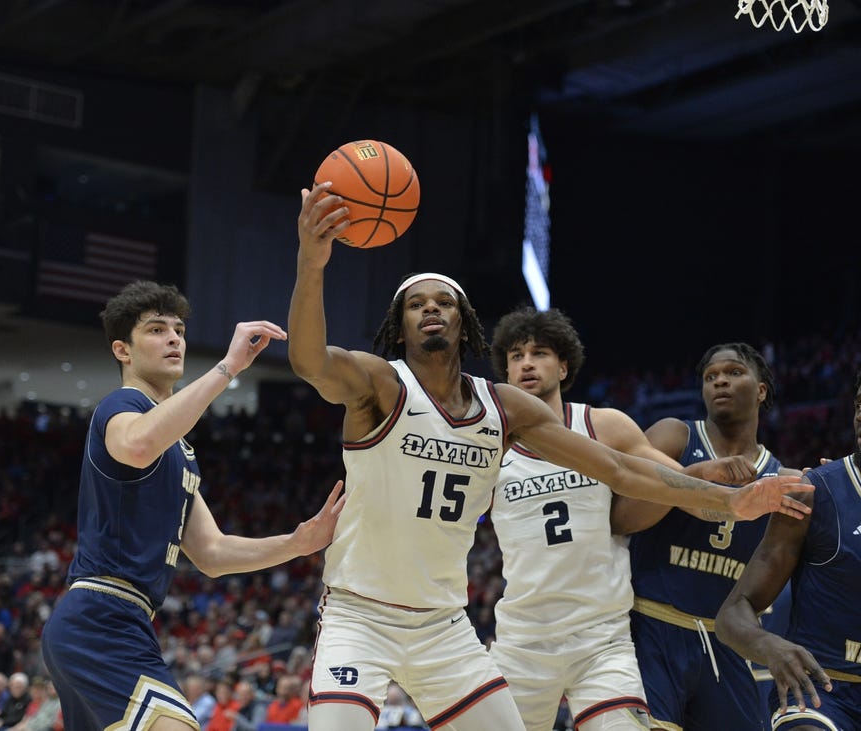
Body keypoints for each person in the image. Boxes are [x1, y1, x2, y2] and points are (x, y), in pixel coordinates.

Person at [291, 183, 811, 731]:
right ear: (399, 329)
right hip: (366, 612)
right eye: (416, 305)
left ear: (465, 323)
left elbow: (620, 470)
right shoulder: (379, 383)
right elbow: (309, 362)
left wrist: (729, 501)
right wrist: (312, 262)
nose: (430, 310)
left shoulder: (505, 408)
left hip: (450, 624)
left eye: (443, 302)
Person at [40, 280, 345, 731]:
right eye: (157, 330)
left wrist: (298, 543)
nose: (174, 339)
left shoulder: (180, 450)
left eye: (179, 330)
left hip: (123, 620)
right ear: (123, 351)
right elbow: (139, 444)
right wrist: (229, 367)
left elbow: (212, 553)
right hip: (99, 616)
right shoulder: (121, 406)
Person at [485, 308, 764, 730]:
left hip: (602, 639)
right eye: (516, 355)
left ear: (563, 366)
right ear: (505, 370)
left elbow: (675, 489)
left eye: (539, 353)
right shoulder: (489, 445)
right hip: (523, 640)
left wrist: (732, 500)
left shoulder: (604, 426)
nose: (526, 363)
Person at [625, 343, 802, 731]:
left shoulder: (781, 478)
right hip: (652, 628)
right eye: (710, 376)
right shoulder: (675, 436)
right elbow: (621, 517)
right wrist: (694, 477)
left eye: (734, 372)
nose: (720, 380)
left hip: (725, 643)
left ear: (761, 390)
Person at [716, 359, 861, 731]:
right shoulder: (815, 493)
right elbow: (732, 614)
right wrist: (768, 646)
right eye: (860, 404)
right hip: (824, 693)